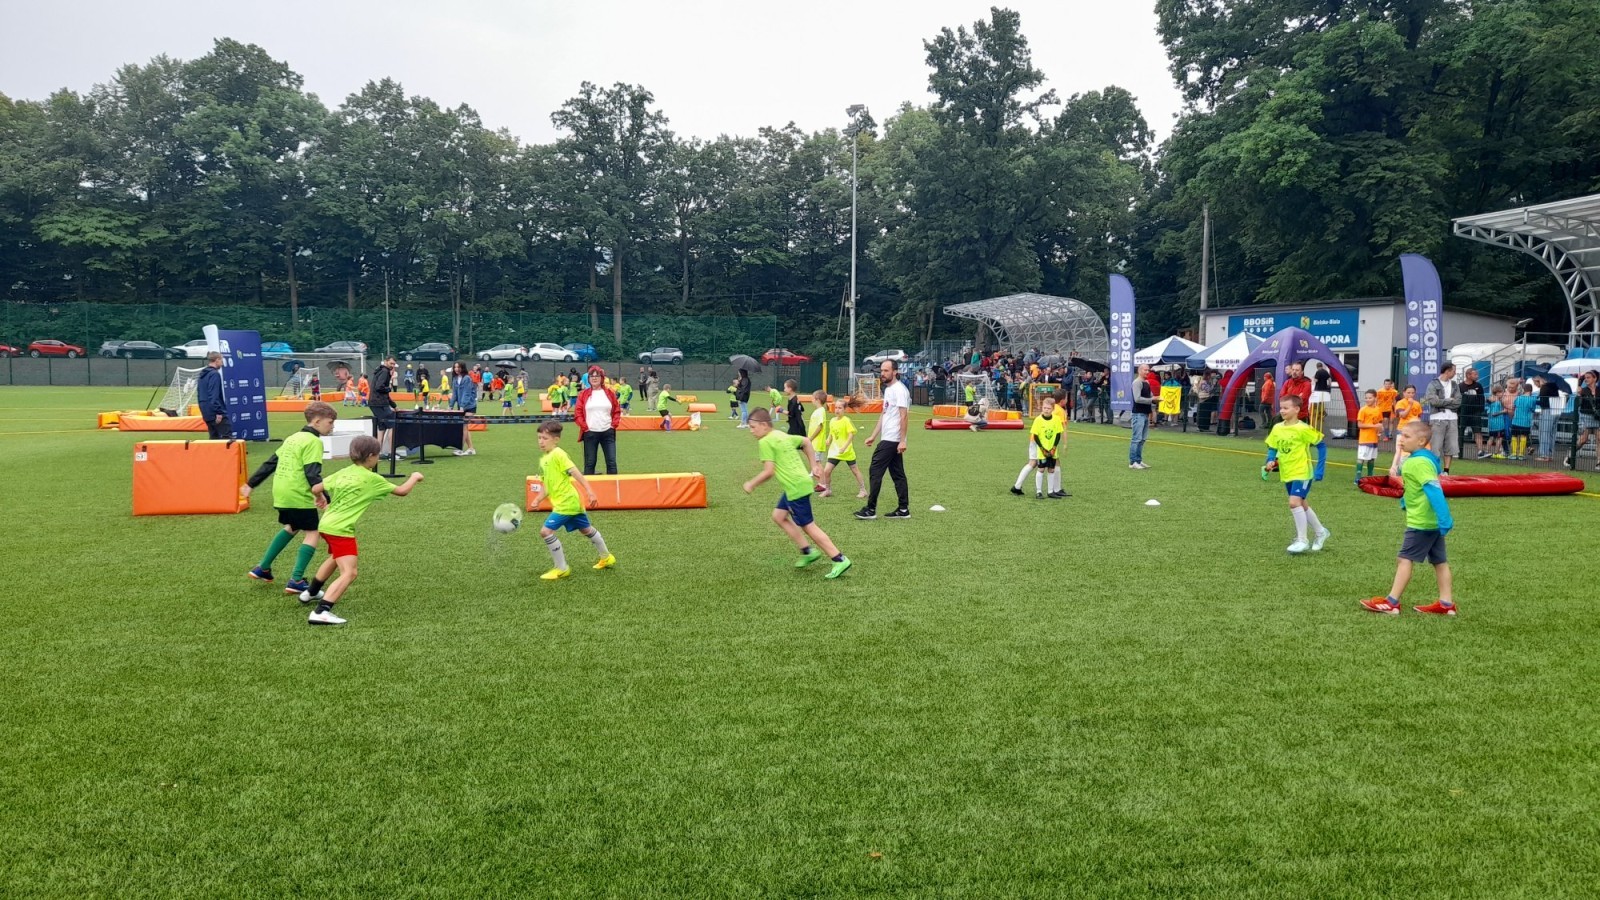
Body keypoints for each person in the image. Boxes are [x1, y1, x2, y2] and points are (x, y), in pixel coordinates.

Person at [298, 435, 423, 625]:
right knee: (350, 572)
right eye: (378, 455)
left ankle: (311, 592)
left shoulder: (344, 472)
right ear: (371, 456)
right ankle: (321, 611)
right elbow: (402, 491)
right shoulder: (372, 479)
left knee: (335, 558)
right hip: (341, 529)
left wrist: (320, 497)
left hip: (326, 524)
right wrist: (414, 477)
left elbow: (316, 487)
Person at [1360, 420, 1456, 616]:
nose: (1401, 440)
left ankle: (1391, 602)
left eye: (1406, 436)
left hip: (1422, 522)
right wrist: (1406, 500)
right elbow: (1417, 487)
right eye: (1401, 435)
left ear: (1421, 441)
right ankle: (1446, 604)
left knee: (1404, 559)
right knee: (1439, 561)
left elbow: (1433, 490)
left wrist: (1445, 518)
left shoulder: (1417, 462)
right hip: (1430, 521)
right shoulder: (1425, 460)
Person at [743, 408, 851, 579]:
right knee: (779, 516)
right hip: (798, 484)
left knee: (809, 526)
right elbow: (806, 441)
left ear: (764, 425)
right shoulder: (780, 435)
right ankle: (807, 551)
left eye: (753, 427)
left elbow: (769, 471)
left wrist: (751, 484)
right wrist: (814, 465)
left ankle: (839, 558)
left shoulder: (765, 442)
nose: (751, 431)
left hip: (795, 488)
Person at [244, 401, 337, 594]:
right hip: (298, 494)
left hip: (281, 492)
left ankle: (263, 568)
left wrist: (251, 484)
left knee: (292, 527)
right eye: (330, 422)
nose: (332, 426)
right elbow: (312, 474)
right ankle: (296, 580)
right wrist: (323, 496)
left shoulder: (292, 438)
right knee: (313, 532)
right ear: (317, 421)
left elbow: (271, 463)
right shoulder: (314, 442)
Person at [531, 420, 615, 581]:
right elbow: (548, 485)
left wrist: (590, 491)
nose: (541, 441)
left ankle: (561, 568)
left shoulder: (558, 454)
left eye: (545, 438)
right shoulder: (545, 459)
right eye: (539, 438)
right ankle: (607, 557)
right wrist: (538, 499)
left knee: (545, 532)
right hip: (569, 503)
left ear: (556, 439)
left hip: (567, 503)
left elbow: (575, 472)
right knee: (586, 530)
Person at [1262, 395, 1329, 555]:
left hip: (1302, 472)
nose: (1282, 411)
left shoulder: (1303, 428)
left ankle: (1302, 540)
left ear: (1297, 409)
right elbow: (1272, 447)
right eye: (1281, 407)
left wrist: (1320, 469)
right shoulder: (1277, 428)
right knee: (1301, 504)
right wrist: (1270, 460)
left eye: (1286, 408)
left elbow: (1321, 446)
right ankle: (1321, 532)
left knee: (1293, 503)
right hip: (1287, 472)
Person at [856, 359, 912, 520]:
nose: (883, 373)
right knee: (898, 474)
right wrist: (873, 436)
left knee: (875, 471)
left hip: (892, 439)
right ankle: (903, 509)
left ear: (895, 372)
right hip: (888, 437)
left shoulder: (899, 390)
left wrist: (902, 440)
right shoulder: (888, 390)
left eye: (886, 371)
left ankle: (870, 509)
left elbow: (904, 416)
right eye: (882, 370)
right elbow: (884, 414)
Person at [1010, 393, 1064, 499]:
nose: (1046, 410)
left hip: (1048, 442)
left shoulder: (1055, 418)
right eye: (1045, 408)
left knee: (1051, 464)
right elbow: (1036, 434)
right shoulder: (1040, 419)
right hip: (1038, 442)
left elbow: (1058, 433)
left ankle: (1054, 489)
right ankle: (1018, 486)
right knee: (1034, 463)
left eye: (1048, 408)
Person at [575, 365, 620, 475]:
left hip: (608, 431)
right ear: (589, 378)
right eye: (592, 376)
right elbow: (578, 413)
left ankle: (613, 485)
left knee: (611, 463)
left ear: (602, 378)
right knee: (590, 463)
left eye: (597, 376)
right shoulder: (583, 394)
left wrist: (613, 425)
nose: (594, 378)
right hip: (590, 432)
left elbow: (617, 410)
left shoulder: (610, 393)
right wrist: (585, 427)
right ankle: (588, 485)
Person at [822, 396, 867, 499]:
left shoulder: (846, 420)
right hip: (835, 451)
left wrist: (844, 447)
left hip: (847, 451)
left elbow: (851, 435)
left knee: (855, 470)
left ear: (844, 409)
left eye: (840, 408)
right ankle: (827, 490)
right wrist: (828, 440)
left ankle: (863, 490)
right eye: (836, 407)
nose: (837, 410)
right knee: (826, 471)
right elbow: (832, 432)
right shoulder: (832, 420)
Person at [1422, 362, 1461, 475]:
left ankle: (1446, 471)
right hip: (1437, 419)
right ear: (1447, 371)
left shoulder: (1455, 385)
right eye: (1454, 371)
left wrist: (1442, 403)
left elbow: (1458, 402)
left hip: (1452, 418)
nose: (1455, 373)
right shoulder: (1433, 384)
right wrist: (1449, 401)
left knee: (1451, 446)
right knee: (1436, 446)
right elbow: (1433, 401)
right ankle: (1435, 470)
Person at [1569, 370, 1600, 470]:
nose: (1586, 379)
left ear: (1595, 378)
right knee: (1583, 439)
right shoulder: (1582, 390)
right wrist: (1579, 392)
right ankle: (1570, 455)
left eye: (1588, 377)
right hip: (1585, 416)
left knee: (1599, 439)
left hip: (1597, 417)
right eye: (1585, 378)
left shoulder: (1599, 390)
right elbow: (1578, 403)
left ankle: (1599, 462)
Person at [197, 351, 231, 439]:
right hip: (215, 411)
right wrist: (219, 412)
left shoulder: (202, 375)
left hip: (205, 410)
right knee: (226, 438)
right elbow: (213, 395)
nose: (222, 363)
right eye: (222, 360)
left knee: (214, 438)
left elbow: (199, 394)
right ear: (217, 360)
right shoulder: (214, 374)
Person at [368, 355, 398, 458]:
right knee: (392, 425)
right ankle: (391, 453)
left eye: (394, 364)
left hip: (375, 402)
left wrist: (393, 405)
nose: (392, 365)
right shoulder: (385, 372)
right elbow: (379, 387)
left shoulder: (380, 370)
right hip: (379, 403)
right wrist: (388, 388)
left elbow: (383, 392)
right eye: (391, 363)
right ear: (386, 361)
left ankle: (378, 453)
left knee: (381, 428)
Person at [1129, 363, 1155, 469]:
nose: (1147, 372)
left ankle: (1138, 460)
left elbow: (1150, 396)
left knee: (1142, 439)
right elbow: (1137, 399)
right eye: (1145, 370)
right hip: (1138, 413)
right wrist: (1152, 399)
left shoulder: (1146, 382)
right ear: (1139, 371)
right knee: (1136, 438)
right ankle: (1133, 462)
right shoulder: (1137, 382)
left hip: (1145, 413)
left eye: (1148, 370)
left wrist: (1155, 399)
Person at [1355, 390, 1384, 483]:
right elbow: (1359, 425)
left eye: (1370, 398)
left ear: (1375, 398)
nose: (1367, 399)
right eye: (1366, 398)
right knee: (1361, 458)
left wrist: (1380, 430)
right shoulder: (1363, 410)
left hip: (1374, 439)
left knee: (1372, 458)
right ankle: (1357, 478)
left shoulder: (1378, 409)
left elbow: (1379, 423)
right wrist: (1374, 426)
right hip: (1365, 439)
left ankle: (1370, 477)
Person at [450, 361, 478, 456]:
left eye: (458, 367)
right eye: (455, 367)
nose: (456, 369)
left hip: (469, 406)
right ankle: (471, 449)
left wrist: (462, 406)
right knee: (465, 427)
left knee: (463, 426)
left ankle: (460, 449)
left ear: (462, 368)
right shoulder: (455, 379)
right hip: (461, 406)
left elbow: (467, 393)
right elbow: (454, 394)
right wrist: (450, 405)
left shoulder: (467, 378)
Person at [1534, 374, 1563, 461]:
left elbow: (1543, 402)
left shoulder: (1544, 387)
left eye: (1535, 382)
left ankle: (1544, 455)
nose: (1535, 385)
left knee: (1544, 432)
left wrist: (1534, 401)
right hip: (1556, 409)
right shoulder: (1554, 386)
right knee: (1552, 433)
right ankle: (1549, 454)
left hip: (1547, 410)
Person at [1459, 367, 1486, 459]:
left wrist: (1480, 410)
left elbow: (1482, 398)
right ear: (1468, 375)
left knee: (1478, 431)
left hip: (1475, 413)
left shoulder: (1479, 385)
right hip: (1463, 413)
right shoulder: (1460, 386)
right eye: (1475, 374)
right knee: (1460, 432)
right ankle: (1458, 451)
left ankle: (1480, 451)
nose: (1477, 376)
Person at [1510, 382, 1536, 460]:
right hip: (1525, 422)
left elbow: (1513, 407)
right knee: (1523, 437)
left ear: (1524, 390)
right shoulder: (1532, 399)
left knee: (1514, 436)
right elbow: (1533, 410)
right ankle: (1521, 454)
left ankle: (1514, 454)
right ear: (1531, 391)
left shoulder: (1517, 398)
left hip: (1516, 420)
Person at [806, 390, 829, 474]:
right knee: (815, 461)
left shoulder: (820, 411)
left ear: (818, 400)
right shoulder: (818, 411)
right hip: (815, 442)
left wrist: (811, 438)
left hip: (817, 442)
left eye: (813, 398)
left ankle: (822, 479)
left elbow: (820, 426)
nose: (811, 400)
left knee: (817, 462)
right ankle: (814, 473)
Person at [1308, 362, 1331, 432]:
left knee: (1317, 402)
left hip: (1318, 389)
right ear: (1322, 366)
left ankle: (1319, 412)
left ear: (1317, 367)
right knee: (1322, 401)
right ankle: (1322, 411)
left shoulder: (1318, 372)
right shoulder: (1325, 372)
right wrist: (1329, 386)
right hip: (1324, 389)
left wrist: (1313, 379)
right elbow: (1329, 379)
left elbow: (1316, 380)